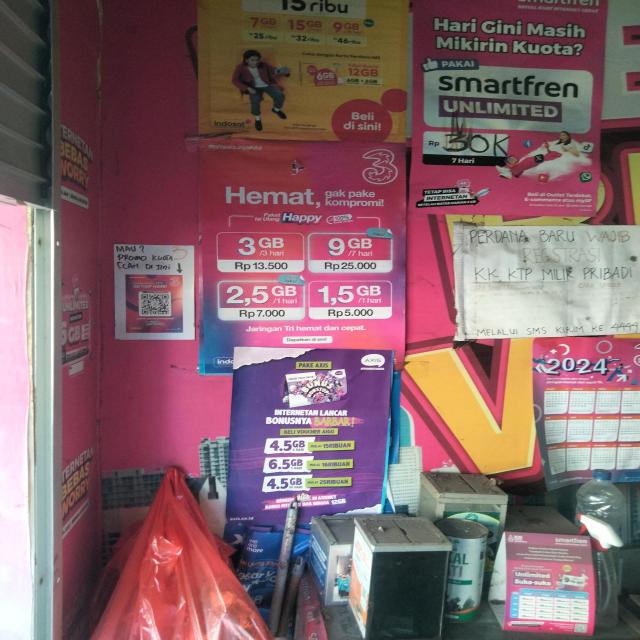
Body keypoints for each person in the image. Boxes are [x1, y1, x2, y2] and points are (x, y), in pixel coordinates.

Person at [232, 50, 287, 131]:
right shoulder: (240, 67)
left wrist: (282, 71)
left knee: (280, 95)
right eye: (252, 60)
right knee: (255, 101)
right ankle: (257, 119)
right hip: (253, 87)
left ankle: (276, 110)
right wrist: (247, 88)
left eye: (257, 60)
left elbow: (273, 70)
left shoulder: (263, 64)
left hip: (267, 85)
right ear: (246, 60)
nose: (255, 62)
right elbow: (235, 80)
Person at [497, 131, 583, 179]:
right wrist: (547, 147)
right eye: (561, 135)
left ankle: (511, 172)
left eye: (564, 135)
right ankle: (512, 171)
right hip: (539, 158)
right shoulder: (554, 143)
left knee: (529, 162)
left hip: (545, 159)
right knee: (527, 162)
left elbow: (576, 154)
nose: (562, 137)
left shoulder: (570, 145)